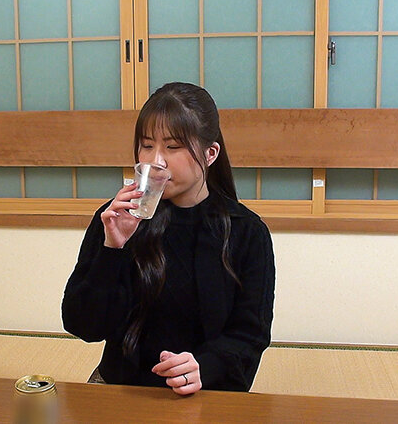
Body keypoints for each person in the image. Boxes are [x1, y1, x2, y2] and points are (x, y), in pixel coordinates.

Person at [61, 82, 275, 395]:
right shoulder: (118, 218)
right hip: (121, 389)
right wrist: (112, 249)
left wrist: (205, 367)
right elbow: (82, 326)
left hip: (206, 391)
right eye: (147, 146)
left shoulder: (247, 232)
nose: (156, 161)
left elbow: (250, 334)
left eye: (172, 147)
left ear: (210, 153)